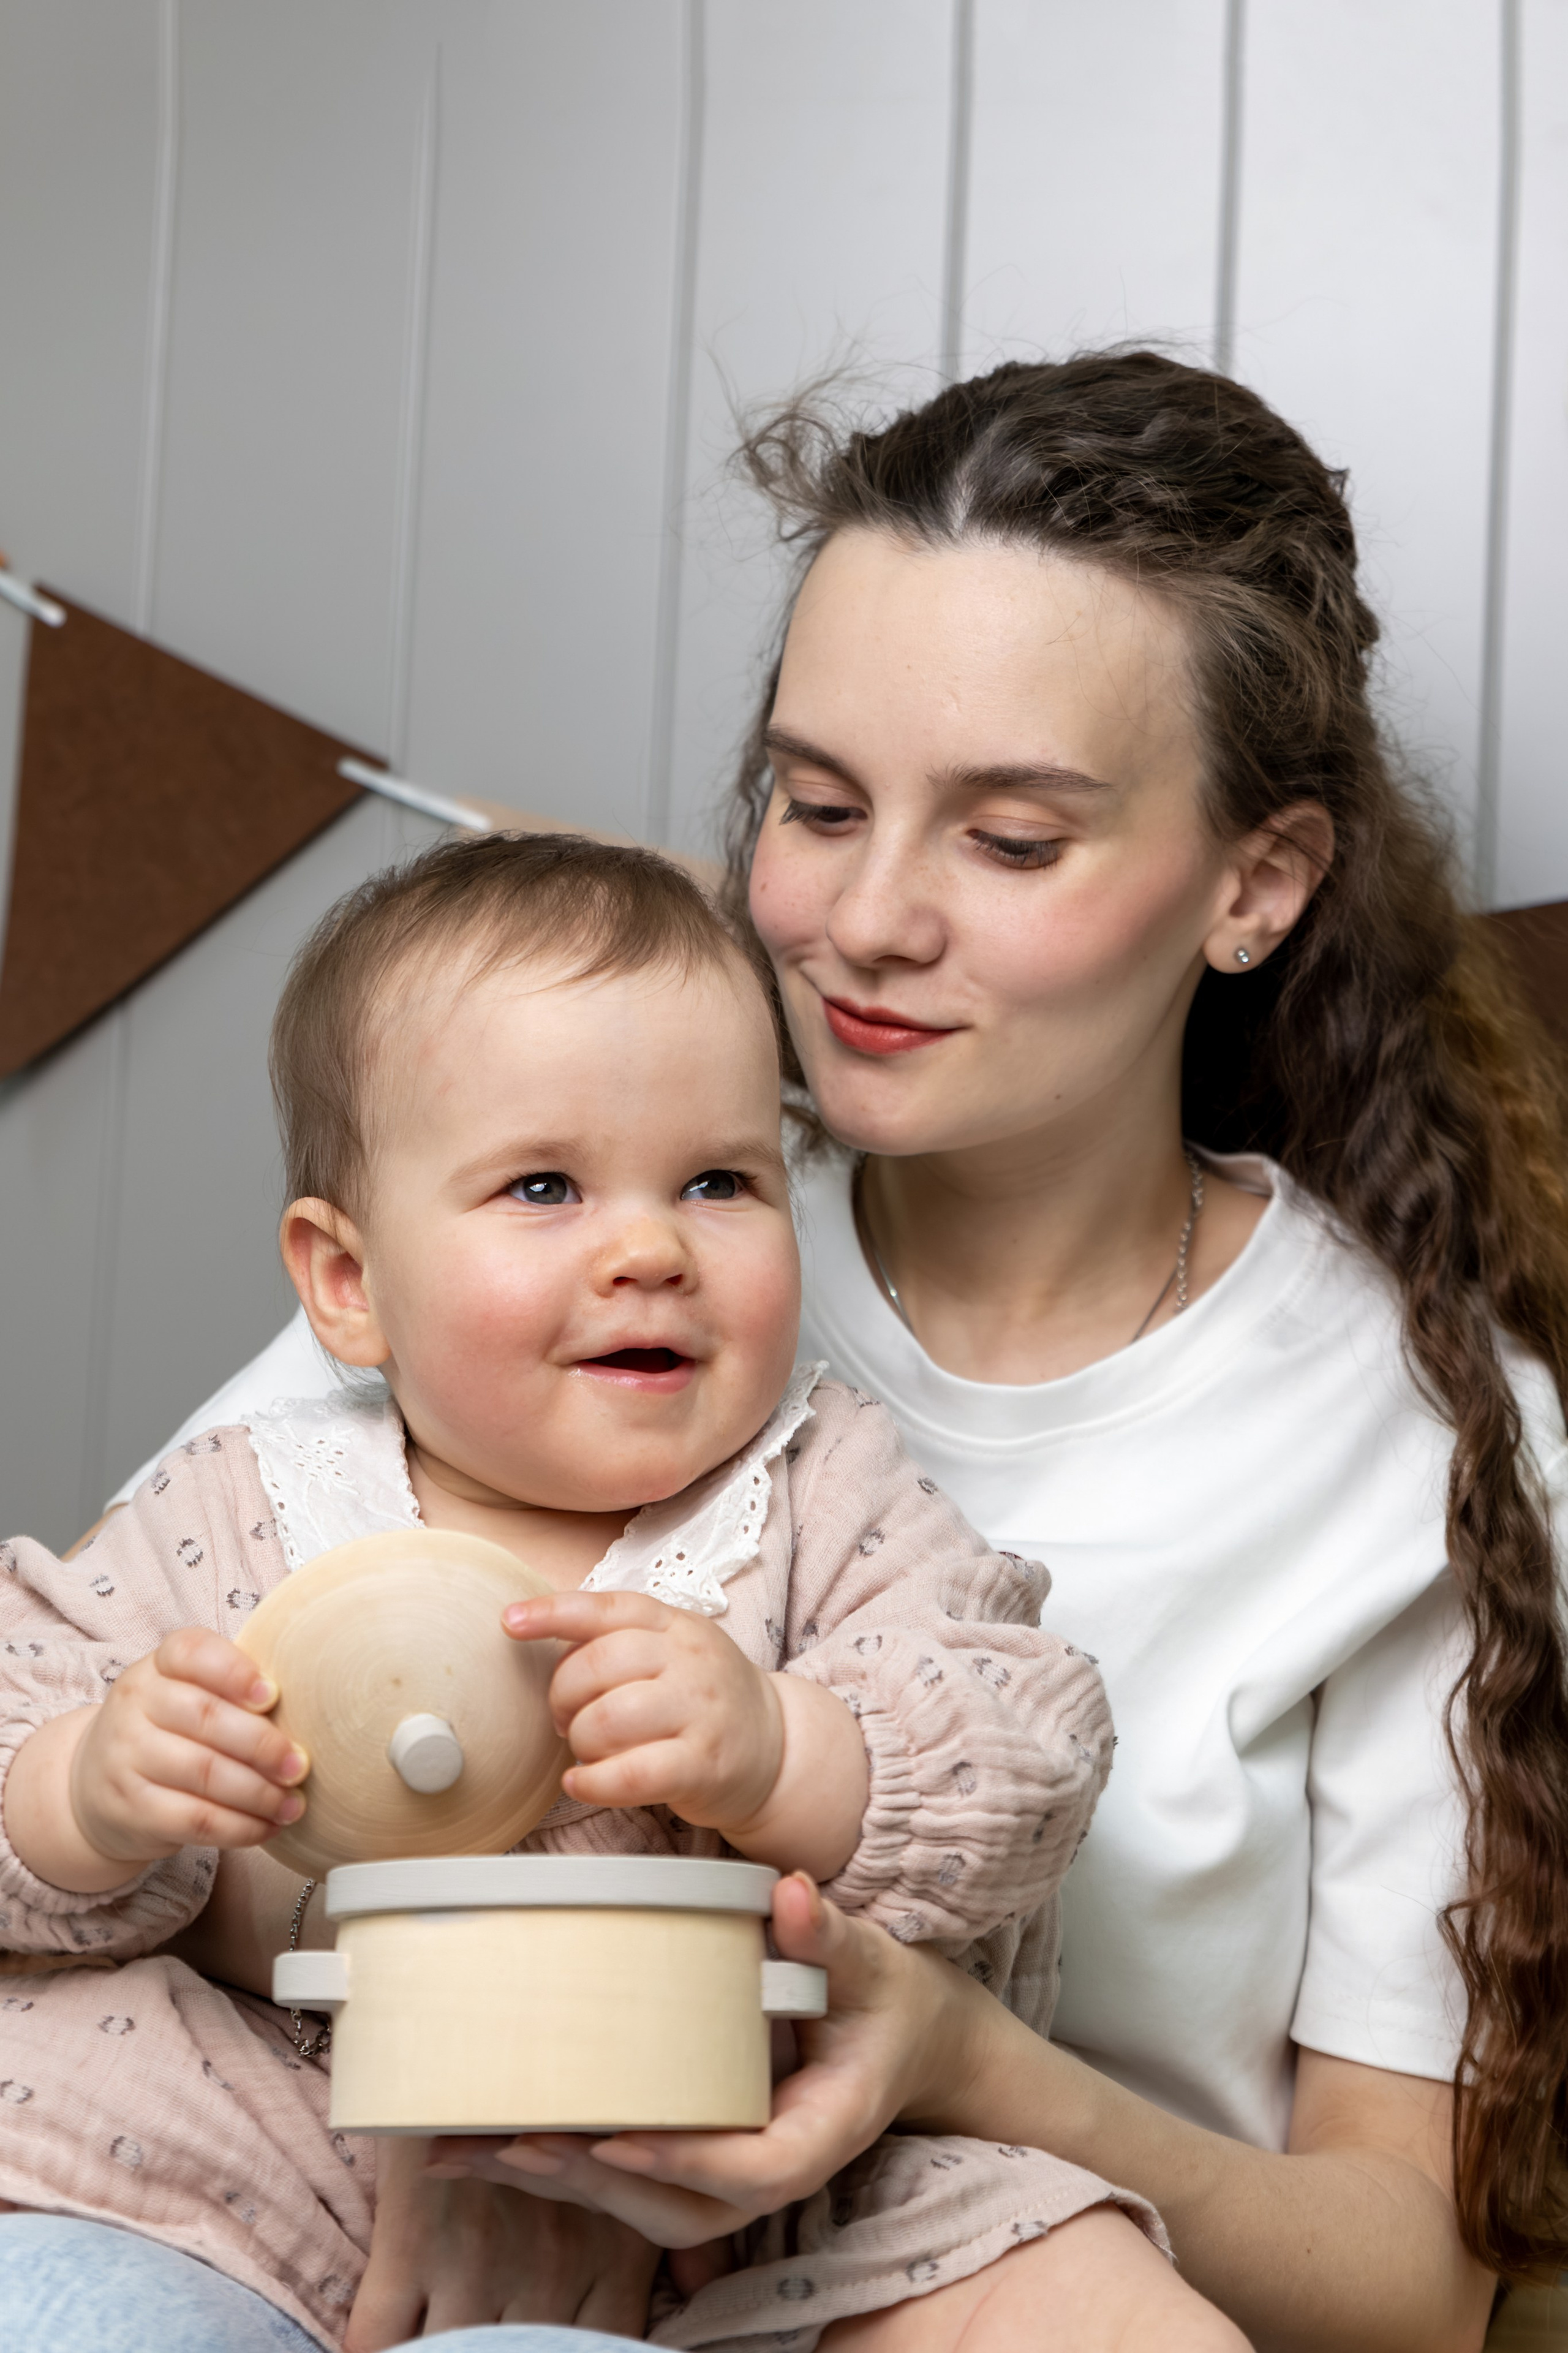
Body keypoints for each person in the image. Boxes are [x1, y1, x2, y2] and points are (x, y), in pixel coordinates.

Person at [129, 352, 1568, 2353]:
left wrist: (961, 2064)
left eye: (1014, 840)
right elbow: (104, 1747)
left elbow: (1408, 2292)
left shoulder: (1422, 1441)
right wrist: (419, 2020)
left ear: (1256, 884)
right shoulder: (572, 1249)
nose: (863, 920)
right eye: (817, 805)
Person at [0, 832, 1246, 2352]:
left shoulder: (818, 1491)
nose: (649, 1247)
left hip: (766, 2194)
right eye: (543, 1186)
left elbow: (1023, 1754)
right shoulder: (238, 1504)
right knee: (56, 2298)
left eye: (719, 1180)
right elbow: (19, 1717)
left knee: (1099, 2301)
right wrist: (91, 1790)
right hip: (264, 2158)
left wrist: (782, 1750)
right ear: (347, 1283)